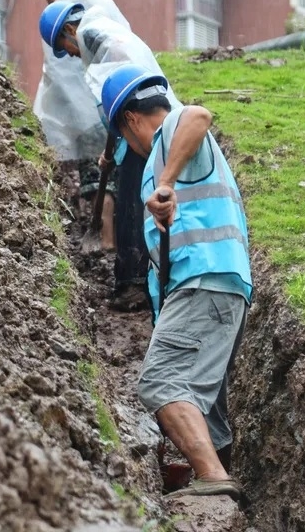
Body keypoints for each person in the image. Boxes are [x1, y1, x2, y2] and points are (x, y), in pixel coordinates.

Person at [99, 64, 253, 501]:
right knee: (209, 409)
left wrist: (165, 181)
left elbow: (198, 116)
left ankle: (212, 477)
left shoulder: (168, 136)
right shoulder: (161, 161)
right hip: (220, 289)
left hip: (204, 284)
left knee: (162, 382)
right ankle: (222, 499)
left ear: (128, 119)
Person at [39, 1, 182, 313]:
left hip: (141, 124)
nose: (72, 55)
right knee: (138, 196)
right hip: (139, 124)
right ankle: (148, 278)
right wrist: (111, 152)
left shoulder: (93, 34)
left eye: (66, 47)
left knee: (133, 201)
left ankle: (134, 283)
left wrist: (120, 145)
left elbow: (119, 78)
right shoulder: (100, 28)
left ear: (68, 30)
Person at [32, 0, 130, 252]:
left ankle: (106, 239)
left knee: (97, 177)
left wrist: (75, 117)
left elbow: (59, 77)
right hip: (121, 101)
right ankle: (121, 240)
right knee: (122, 174)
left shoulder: (56, 20)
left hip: (89, 113)